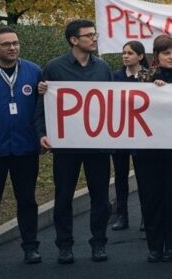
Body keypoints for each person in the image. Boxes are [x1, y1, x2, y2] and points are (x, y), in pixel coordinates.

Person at [36, 19, 114, 264]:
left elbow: (114, 103)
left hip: (98, 145)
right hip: (66, 146)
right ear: (74, 40)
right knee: (63, 197)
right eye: (89, 35)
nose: (94, 38)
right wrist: (42, 133)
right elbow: (42, 106)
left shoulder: (103, 68)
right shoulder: (54, 68)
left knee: (100, 197)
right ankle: (64, 245)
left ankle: (99, 243)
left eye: (95, 34)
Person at [0, 27, 43, 268]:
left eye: (15, 43)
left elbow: (42, 108)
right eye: (6, 44)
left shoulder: (34, 71)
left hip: (25, 147)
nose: (12, 47)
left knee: (27, 200)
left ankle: (31, 247)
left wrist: (41, 136)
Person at [135, 34, 172, 262]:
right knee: (151, 199)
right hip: (148, 151)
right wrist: (152, 88)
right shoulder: (144, 78)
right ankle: (155, 246)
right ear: (156, 56)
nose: (171, 57)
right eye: (166, 53)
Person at [110, 40, 149, 232]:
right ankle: (122, 215)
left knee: (144, 177)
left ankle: (146, 216)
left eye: (130, 53)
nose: (125, 56)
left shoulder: (149, 77)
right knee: (120, 175)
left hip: (142, 135)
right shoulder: (114, 76)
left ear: (140, 56)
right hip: (120, 133)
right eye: (124, 52)